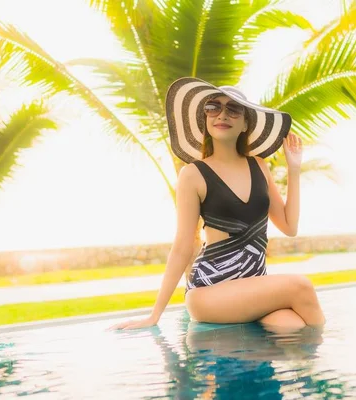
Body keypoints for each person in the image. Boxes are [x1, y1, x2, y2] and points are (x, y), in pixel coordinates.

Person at [112, 77, 326, 331]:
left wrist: (294, 169)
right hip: (210, 291)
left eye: (233, 109)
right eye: (213, 107)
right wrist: (154, 315)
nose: (222, 114)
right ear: (205, 118)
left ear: (245, 123)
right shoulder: (193, 174)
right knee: (301, 286)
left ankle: (308, 365)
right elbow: (182, 247)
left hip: (252, 287)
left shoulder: (258, 166)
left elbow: (289, 226)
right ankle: (326, 371)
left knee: (292, 327)